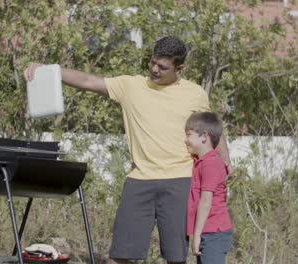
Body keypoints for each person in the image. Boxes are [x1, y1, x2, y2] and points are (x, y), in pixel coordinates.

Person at [24, 36, 232, 264]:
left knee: (175, 257)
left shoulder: (195, 93)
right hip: (139, 180)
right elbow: (87, 80)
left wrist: (224, 160)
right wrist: (48, 70)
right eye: (152, 62)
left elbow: (211, 129)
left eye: (163, 67)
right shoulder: (130, 86)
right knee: (119, 256)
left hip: (180, 181)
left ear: (179, 68)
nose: (154, 69)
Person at [184, 112, 233, 264]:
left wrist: (196, 235)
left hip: (214, 233)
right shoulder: (201, 161)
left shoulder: (211, 164)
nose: (185, 140)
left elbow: (206, 201)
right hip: (208, 231)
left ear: (204, 136)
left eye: (189, 134)